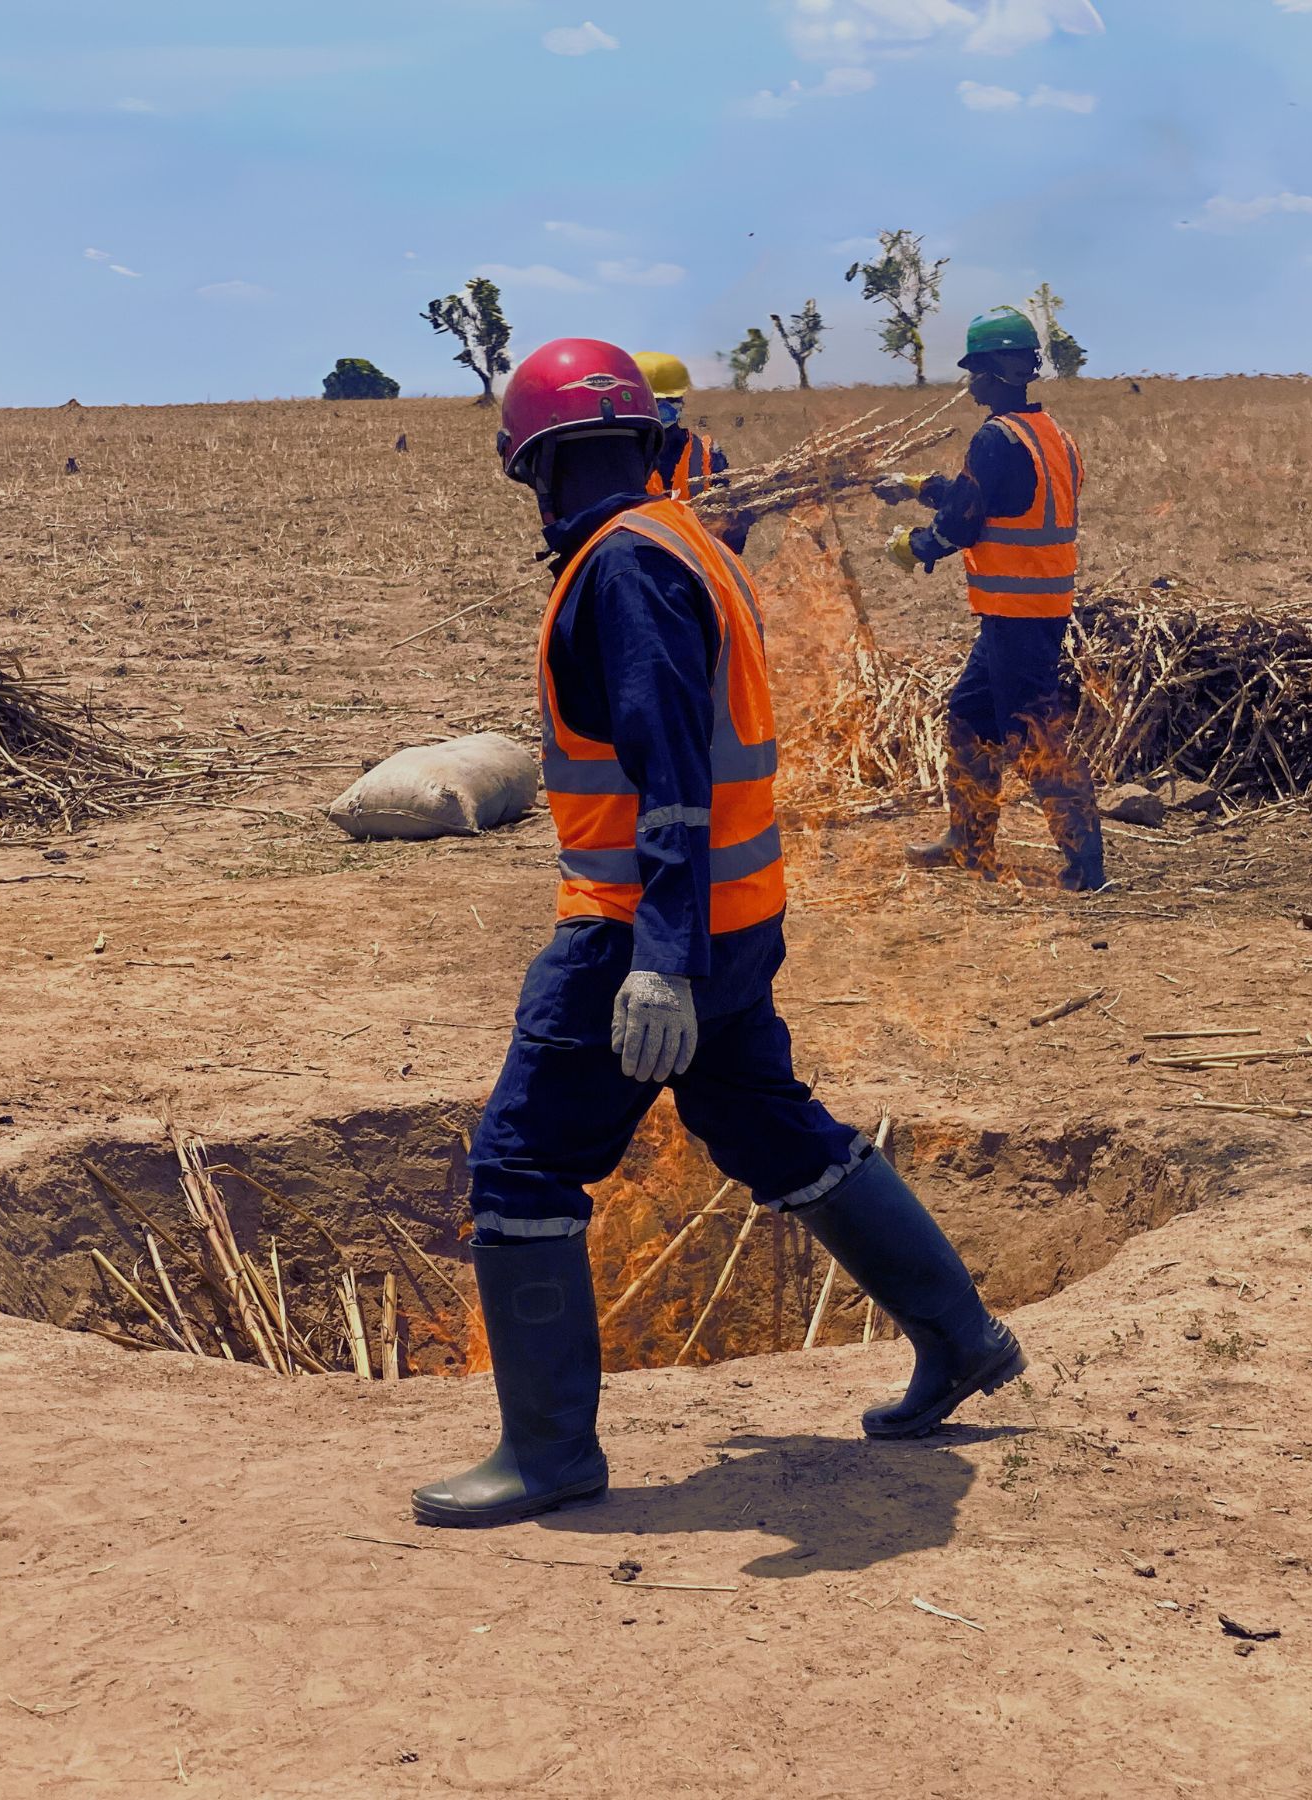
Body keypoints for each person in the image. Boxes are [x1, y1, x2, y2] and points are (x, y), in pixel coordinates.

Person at [412, 338, 1023, 1530]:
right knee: (768, 1124)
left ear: (522, 466)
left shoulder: (619, 569)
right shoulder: (684, 536)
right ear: (650, 441)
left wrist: (658, 962)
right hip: (735, 914)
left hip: (639, 926)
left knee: (523, 1161)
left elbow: (671, 772)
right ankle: (960, 1337)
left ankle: (547, 1458)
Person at [882, 307, 1104, 891]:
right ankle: (968, 842)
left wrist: (917, 545)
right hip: (1031, 608)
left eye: (974, 369)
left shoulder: (995, 436)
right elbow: (988, 497)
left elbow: (966, 520)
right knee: (970, 717)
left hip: (1017, 610)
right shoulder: (1049, 433)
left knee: (1034, 734)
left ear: (993, 370)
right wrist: (917, 487)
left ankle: (1087, 863)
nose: (971, 381)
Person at [632, 351, 749, 555]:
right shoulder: (620, 457)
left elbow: (731, 541)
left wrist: (740, 519)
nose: (664, 407)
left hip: (697, 565)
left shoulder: (707, 454)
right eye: (656, 400)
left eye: (672, 399)